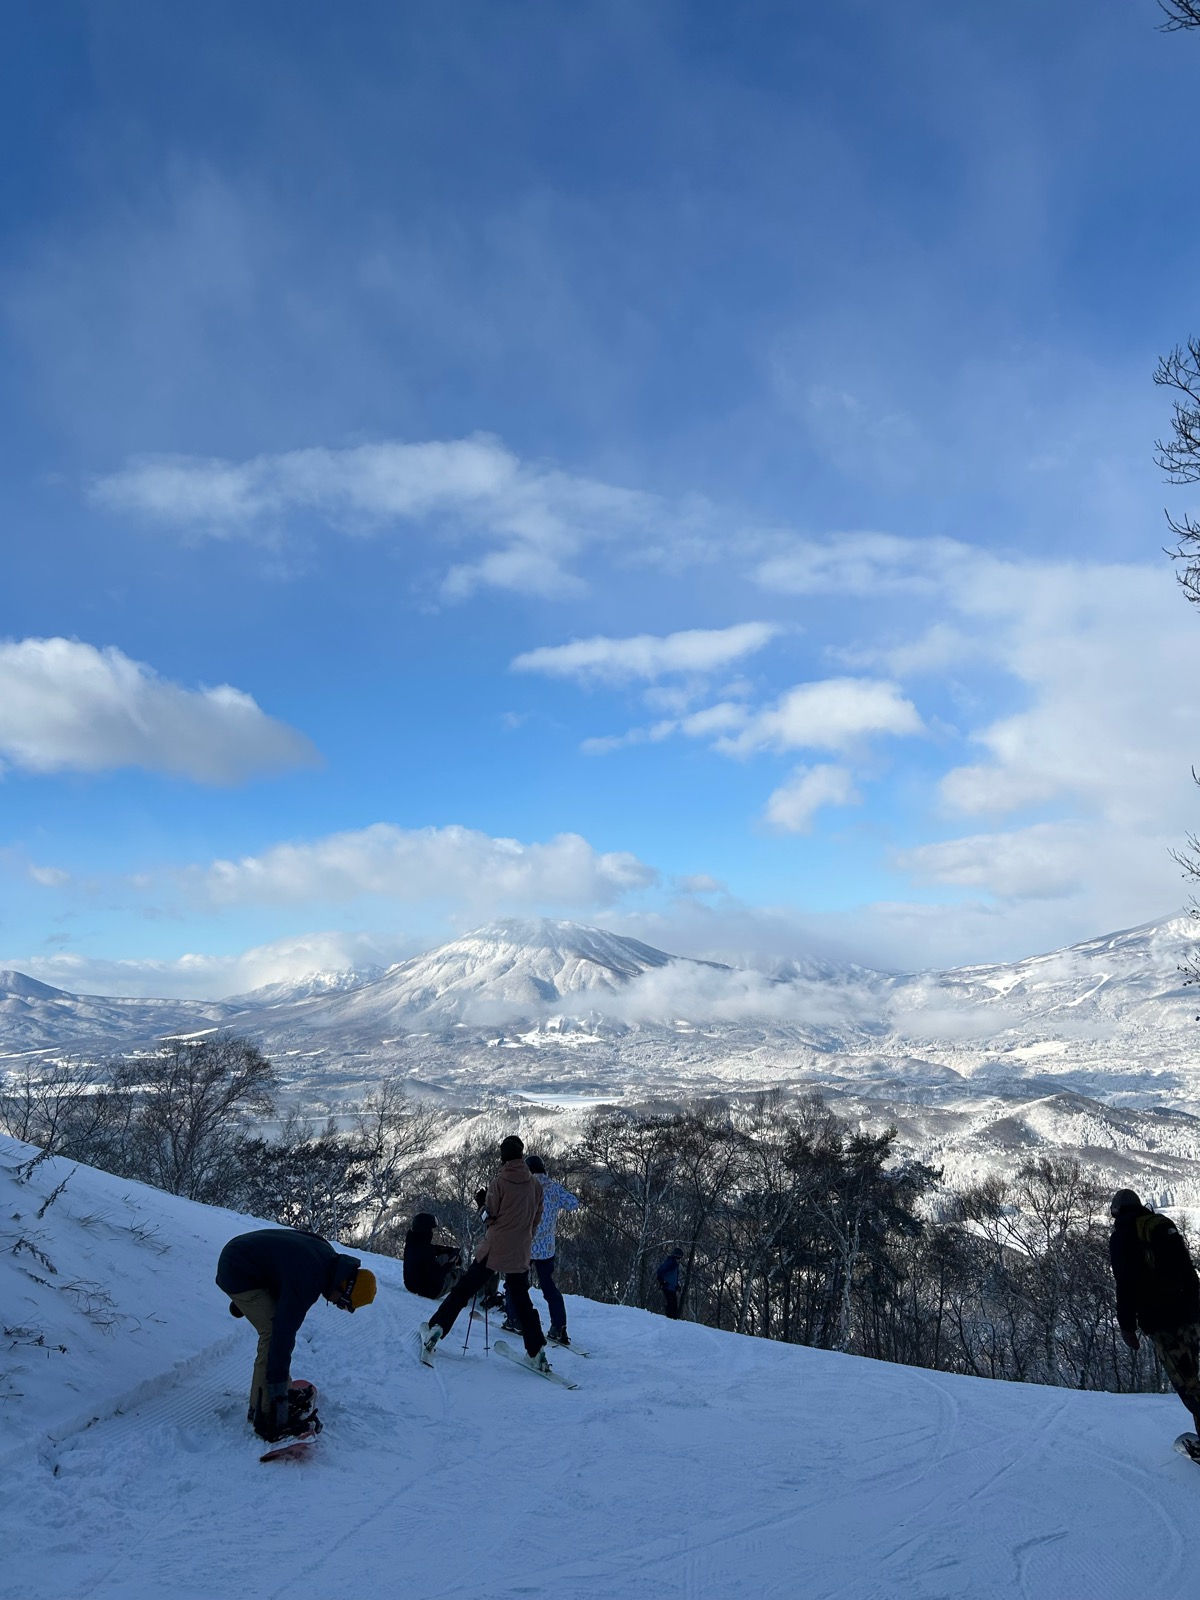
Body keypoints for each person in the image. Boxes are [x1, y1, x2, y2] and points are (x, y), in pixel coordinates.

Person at [216, 1227, 377, 1442]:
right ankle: (264, 1411)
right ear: (344, 1286)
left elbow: (283, 1264)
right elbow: (283, 1335)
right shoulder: (309, 1278)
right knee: (272, 1334)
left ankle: (272, 1394)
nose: (336, 1305)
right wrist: (278, 1397)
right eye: (342, 1302)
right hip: (236, 1266)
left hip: (242, 1255)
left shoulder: (327, 1256)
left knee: (274, 1328)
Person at [420, 1134, 553, 1372]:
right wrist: (523, 1236)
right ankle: (537, 1352)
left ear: (503, 1157)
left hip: (494, 1249)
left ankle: (437, 1329)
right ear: (521, 1155)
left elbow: (488, 1219)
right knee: (523, 1302)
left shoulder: (499, 1183)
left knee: (463, 1292)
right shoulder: (535, 1185)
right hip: (520, 1251)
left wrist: (481, 1203)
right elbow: (536, 1219)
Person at [1109, 1188, 1200, 1446]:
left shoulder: (1123, 1236)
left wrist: (1127, 1327)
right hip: (1192, 1316)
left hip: (1164, 1322)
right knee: (1194, 1378)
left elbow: (1124, 1284)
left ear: (1116, 1212)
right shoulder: (1159, 1226)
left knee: (1188, 1386)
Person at [503, 1155, 579, 1346]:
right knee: (549, 1288)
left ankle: (514, 1320)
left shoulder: (522, 1188)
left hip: (524, 1246)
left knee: (515, 1284)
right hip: (546, 1249)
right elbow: (573, 1203)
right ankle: (558, 1327)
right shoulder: (554, 1188)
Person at [402, 1212, 462, 1300]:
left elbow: (433, 1249)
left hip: (412, 1285)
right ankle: (466, 1296)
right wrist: (450, 1263)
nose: (431, 1232)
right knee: (462, 1273)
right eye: (430, 1229)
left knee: (444, 1256)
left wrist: (449, 1250)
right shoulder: (425, 1251)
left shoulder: (413, 1242)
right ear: (425, 1229)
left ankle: (452, 1279)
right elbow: (436, 1276)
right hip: (431, 1290)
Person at [656, 1251, 681, 1320]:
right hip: (667, 1287)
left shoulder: (675, 1265)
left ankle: (673, 1320)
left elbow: (673, 1278)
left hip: (672, 1288)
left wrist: (677, 1286)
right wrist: (661, 1281)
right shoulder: (671, 1263)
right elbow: (660, 1271)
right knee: (671, 1304)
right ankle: (670, 1320)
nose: (679, 1260)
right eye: (678, 1258)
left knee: (674, 1306)